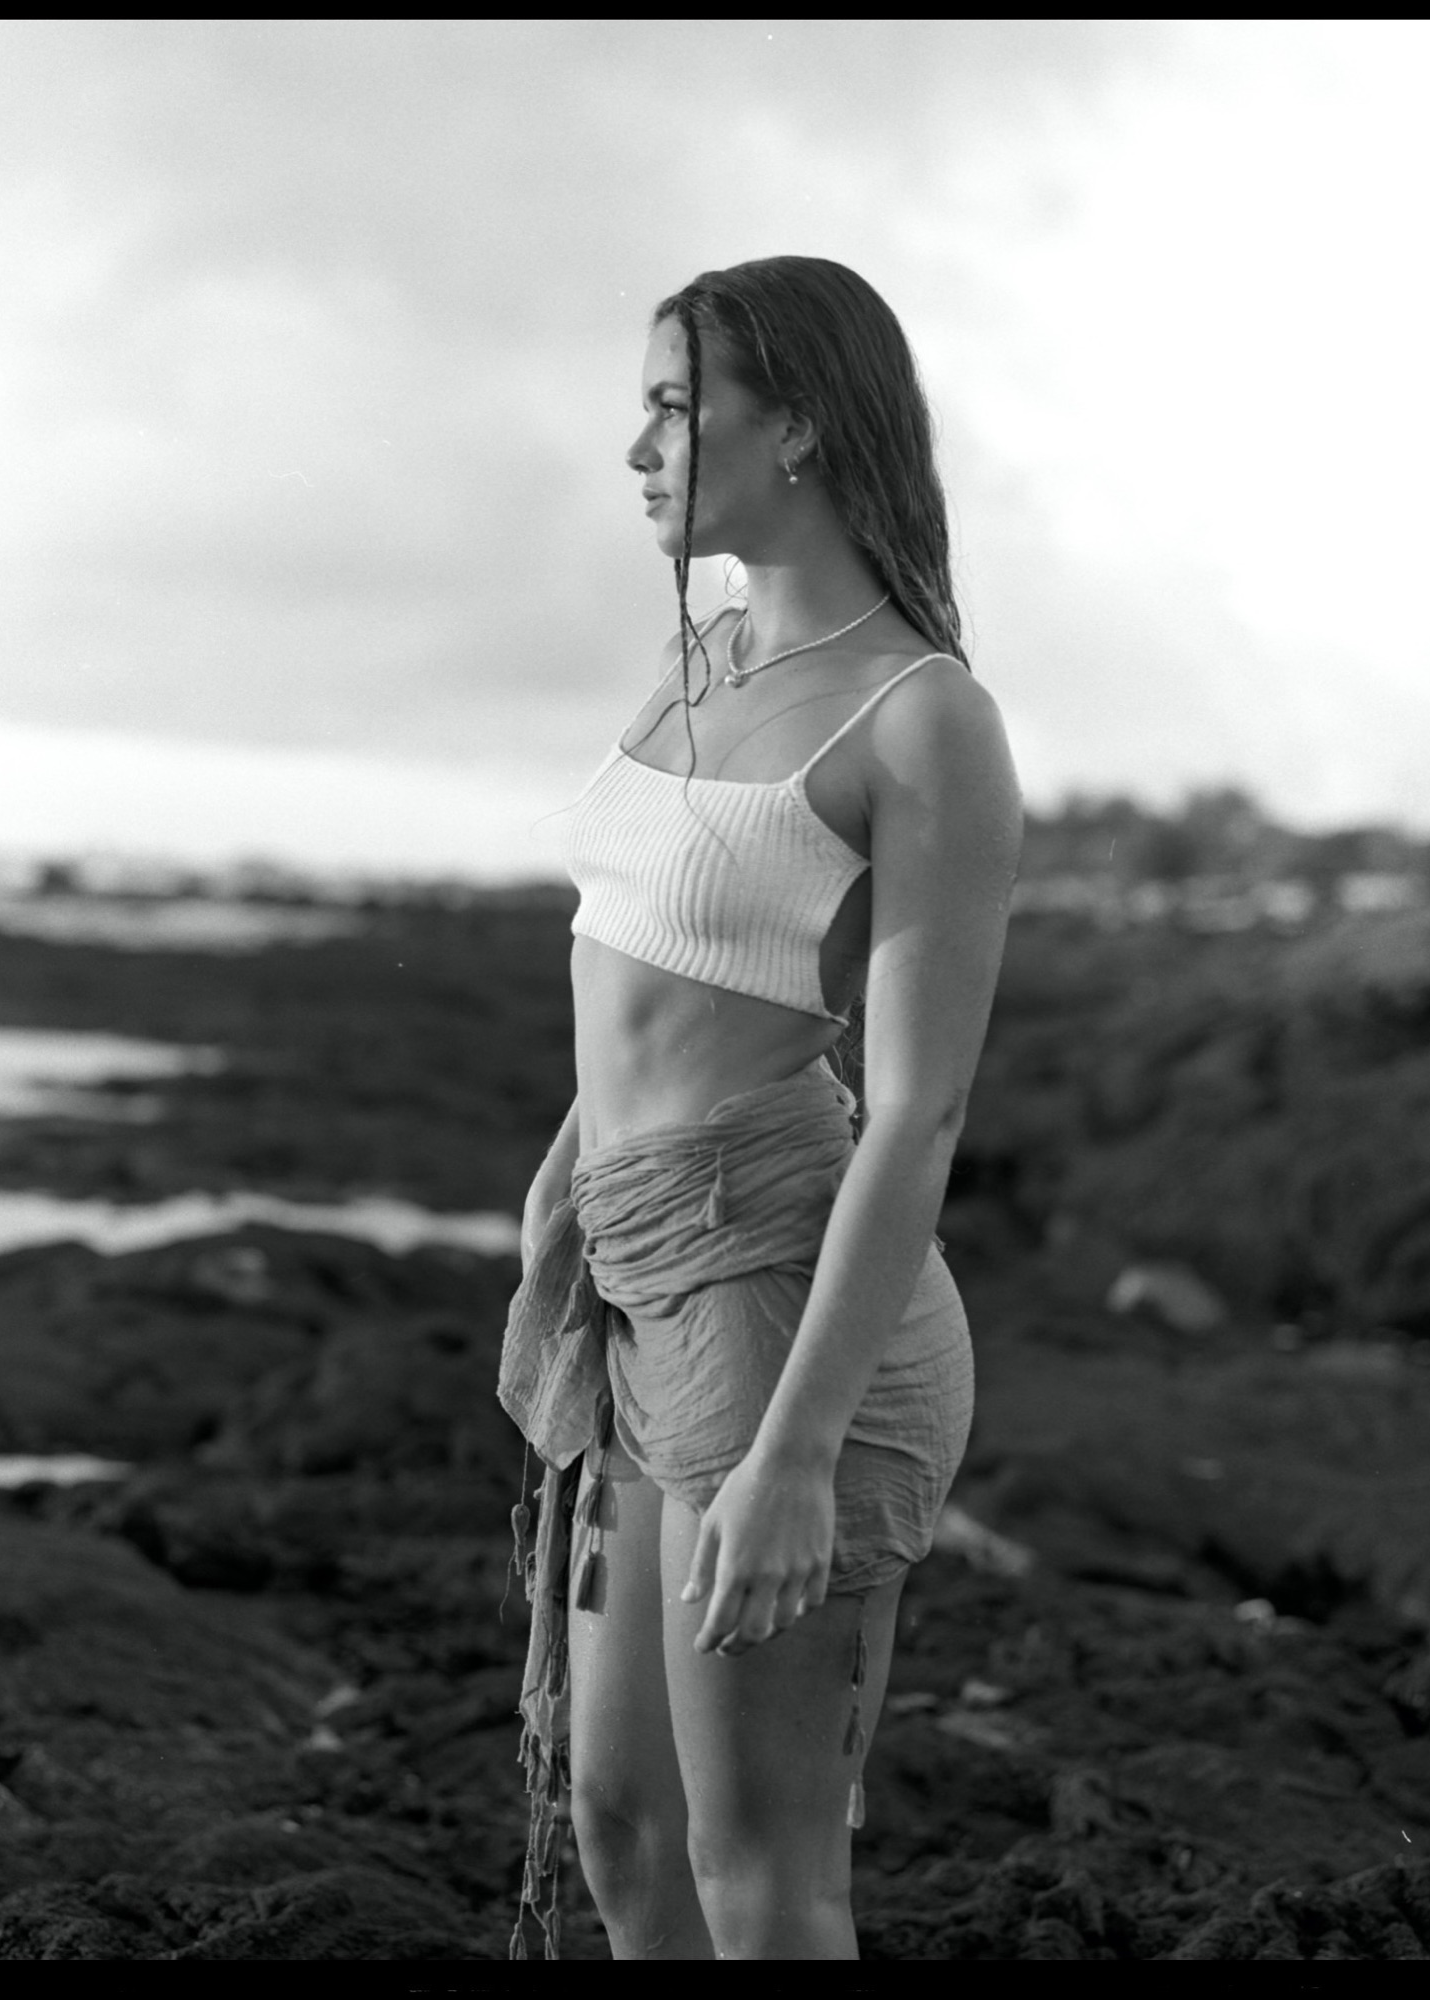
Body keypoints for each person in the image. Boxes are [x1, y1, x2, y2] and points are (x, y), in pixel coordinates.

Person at [497, 255, 1022, 1962]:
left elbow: (918, 1114)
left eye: (673, 406)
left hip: (780, 1294)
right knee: (622, 1826)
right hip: (642, 1269)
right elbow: (637, 954)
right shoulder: (695, 657)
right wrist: (575, 1176)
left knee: (762, 1869)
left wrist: (797, 1455)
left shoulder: (922, 720)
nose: (637, 448)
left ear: (793, 427)